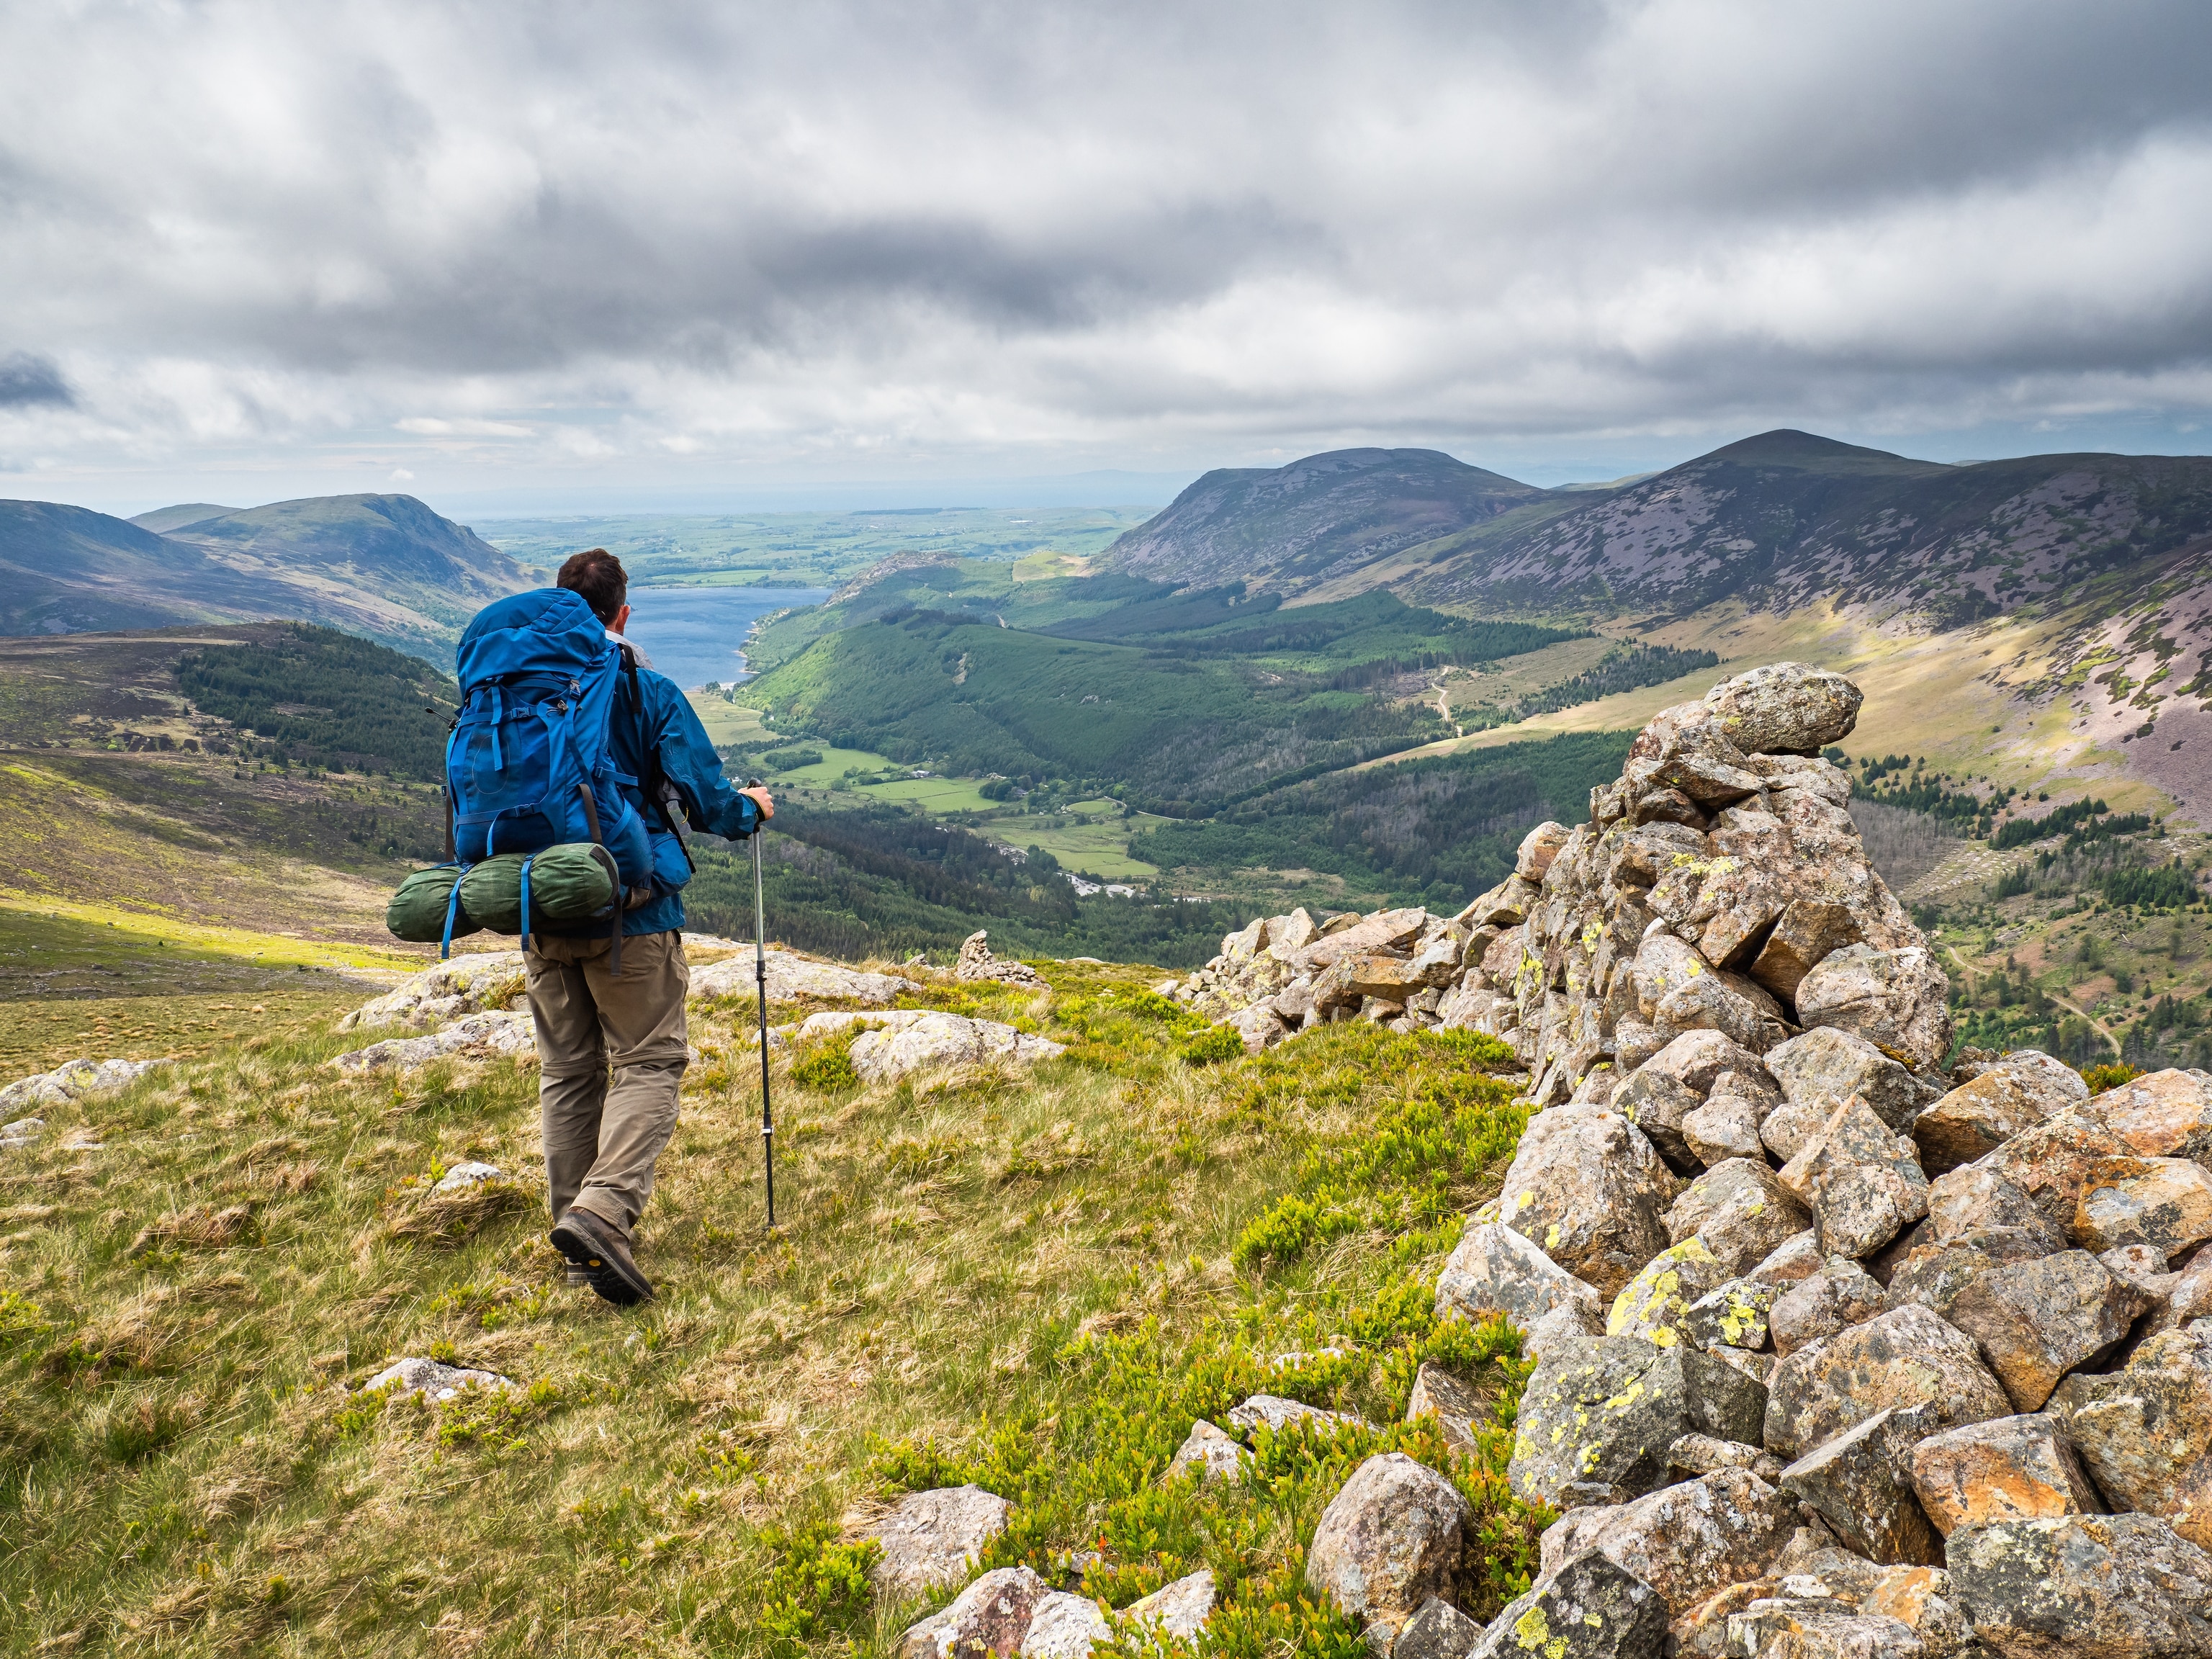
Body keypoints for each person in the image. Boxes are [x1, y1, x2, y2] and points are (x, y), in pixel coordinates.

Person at [530, 547, 774, 1306]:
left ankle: (579, 1241)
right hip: (628, 913)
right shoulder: (642, 687)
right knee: (648, 1061)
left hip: (538, 906)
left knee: (570, 1071)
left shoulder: (517, 689)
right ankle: (603, 1215)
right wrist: (751, 809)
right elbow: (705, 799)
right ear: (621, 614)